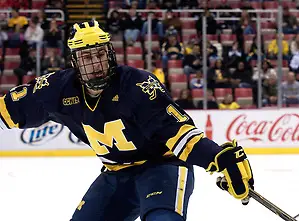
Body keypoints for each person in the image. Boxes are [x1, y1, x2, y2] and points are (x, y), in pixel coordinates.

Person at [0, 20, 254, 221]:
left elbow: (180, 135)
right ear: (74, 61)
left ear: (110, 53)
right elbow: (8, 110)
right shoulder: (56, 89)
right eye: (86, 58)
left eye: (99, 54)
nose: (95, 64)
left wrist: (217, 158)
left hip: (162, 167)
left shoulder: (137, 85)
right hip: (115, 174)